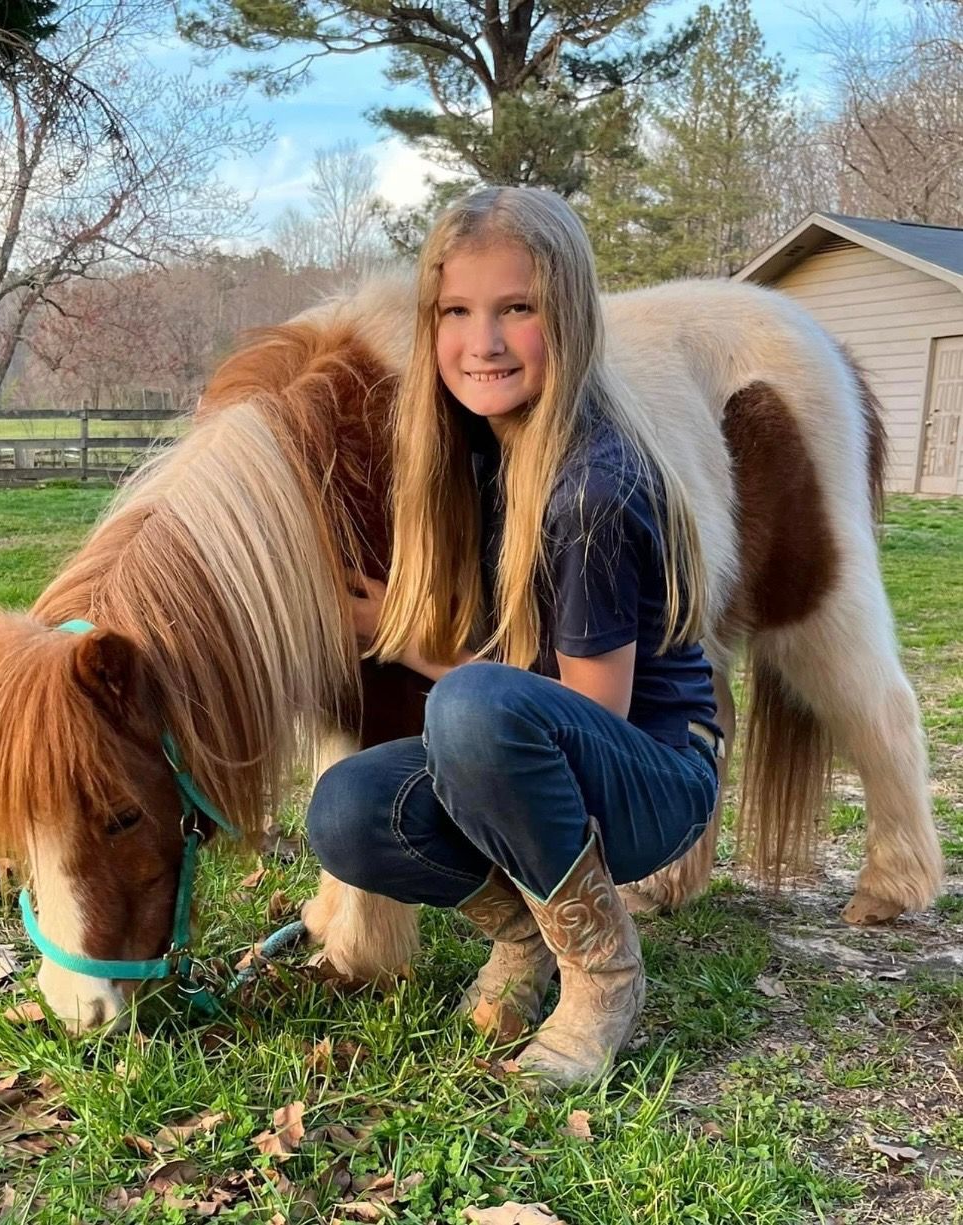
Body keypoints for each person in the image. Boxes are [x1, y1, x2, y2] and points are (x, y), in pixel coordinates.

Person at [307, 186, 721, 1090]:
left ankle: (602, 975)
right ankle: (525, 935)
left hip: (655, 775)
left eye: (516, 309)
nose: (482, 341)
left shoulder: (592, 489)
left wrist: (409, 647)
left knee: (468, 706)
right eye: (457, 310)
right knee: (345, 808)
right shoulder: (475, 451)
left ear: (566, 315)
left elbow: (587, 714)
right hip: (548, 754)